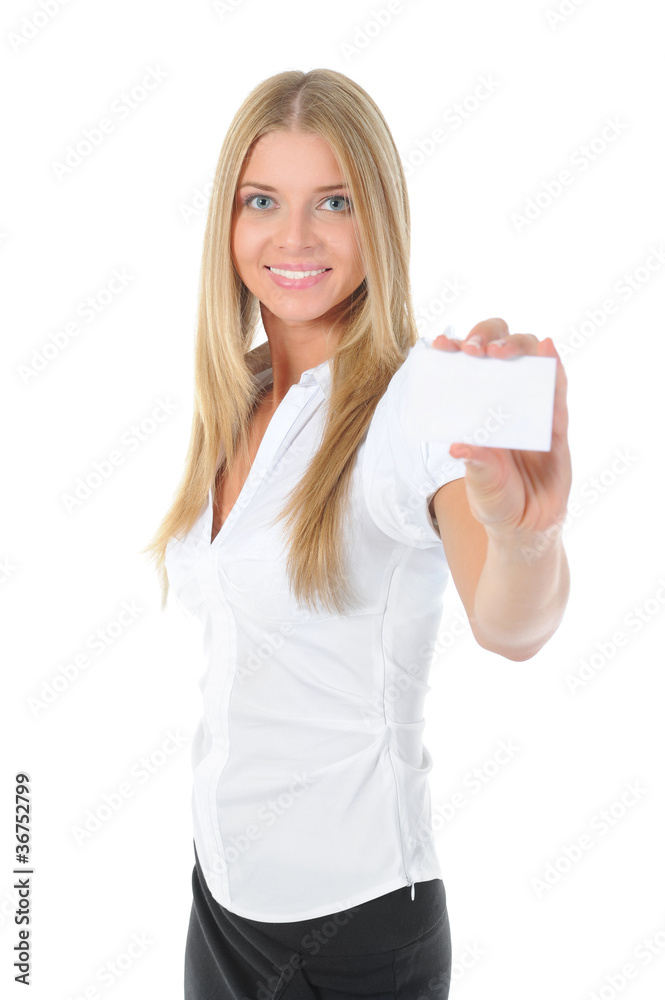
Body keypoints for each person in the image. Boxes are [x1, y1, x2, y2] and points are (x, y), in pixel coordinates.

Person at [142, 68, 571, 1000]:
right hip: (221, 903)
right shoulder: (244, 394)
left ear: (378, 217)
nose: (294, 237)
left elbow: (511, 624)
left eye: (332, 202)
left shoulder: (415, 403)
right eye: (263, 201)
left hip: (353, 934)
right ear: (228, 221)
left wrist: (524, 541)